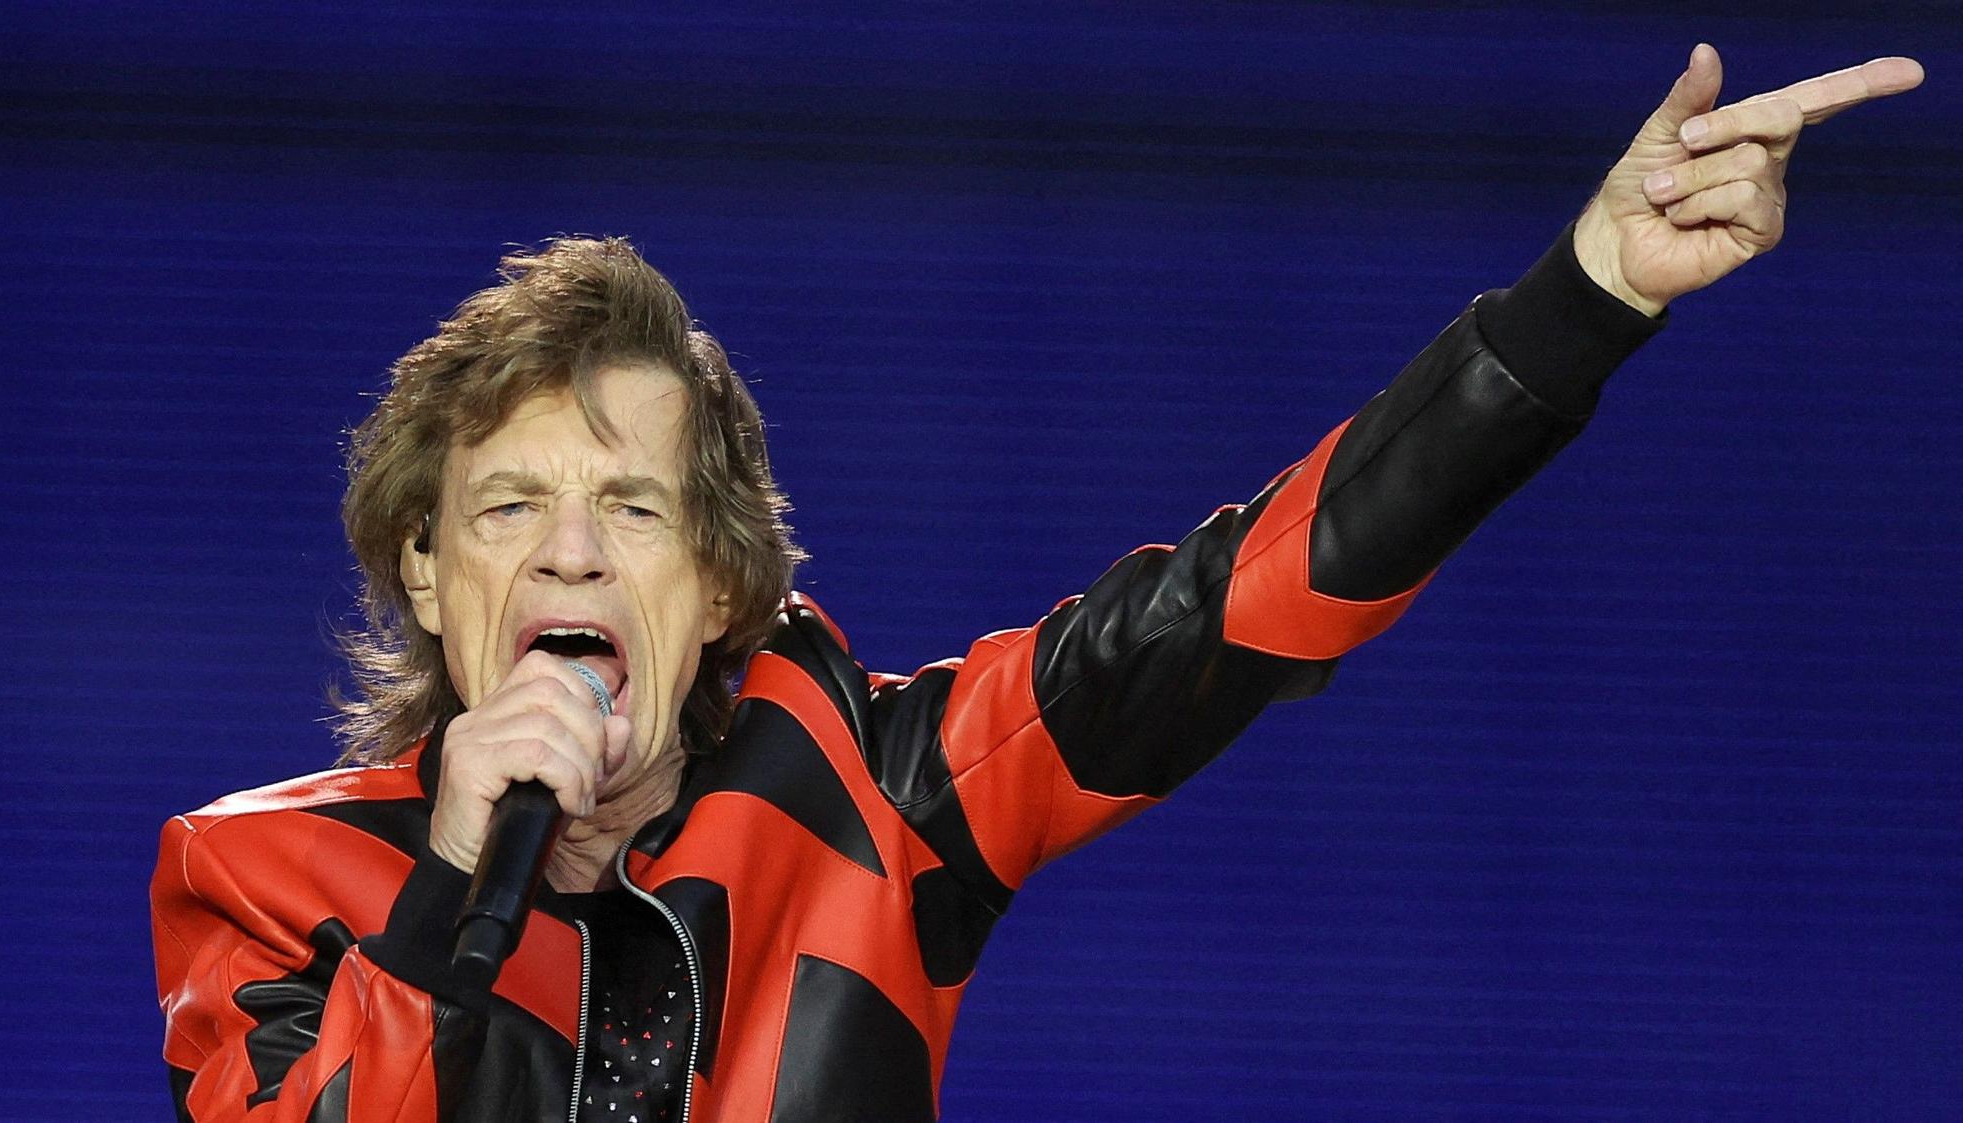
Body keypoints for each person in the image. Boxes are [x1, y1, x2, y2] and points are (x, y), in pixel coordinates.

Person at [150, 45, 1922, 1121]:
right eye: (506, 508)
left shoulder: (883, 792)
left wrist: (1585, 294)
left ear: (719, 586)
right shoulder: (259, 878)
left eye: (630, 507)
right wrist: (460, 884)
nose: (565, 550)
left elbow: (1249, 602)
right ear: (423, 571)